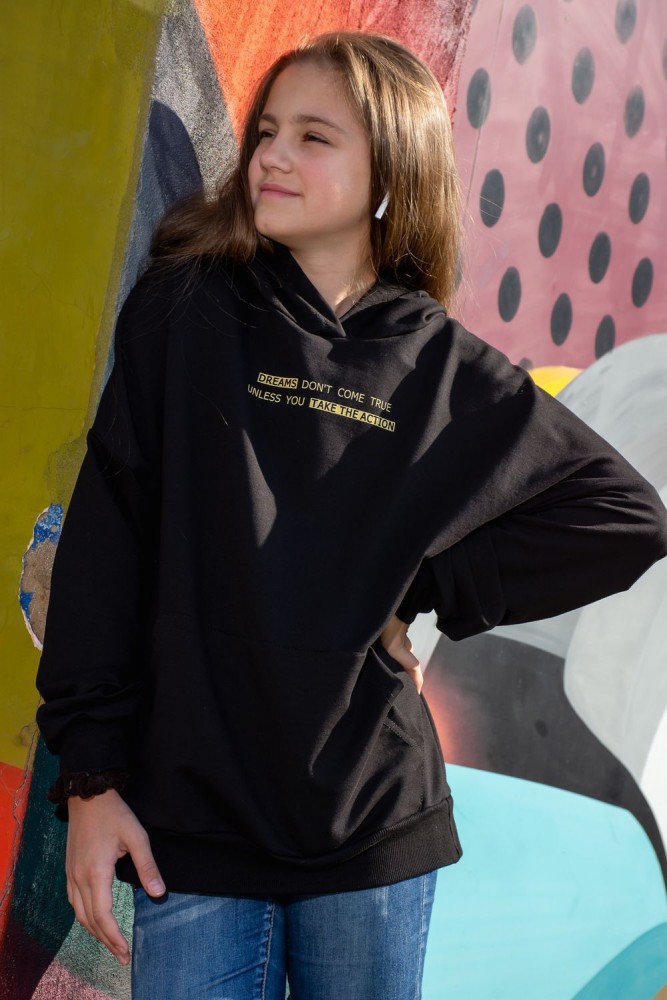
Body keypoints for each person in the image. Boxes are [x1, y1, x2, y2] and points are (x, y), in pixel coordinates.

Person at [36, 30, 667, 1000]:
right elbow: (105, 546)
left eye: (314, 137)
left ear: (389, 174)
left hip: (371, 834)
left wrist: (417, 584)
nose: (273, 156)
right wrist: (89, 780)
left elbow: (623, 515)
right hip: (192, 829)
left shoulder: (436, 364)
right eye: (268, 131)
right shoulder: (185, 314)